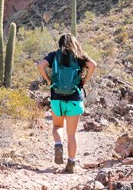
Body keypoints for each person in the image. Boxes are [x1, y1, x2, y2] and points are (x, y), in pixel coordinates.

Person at [37, 33, 97, 174]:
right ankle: (71, 163)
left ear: (60, 43)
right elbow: (93, 65)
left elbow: (40, 66)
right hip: (74, 98)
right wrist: (85, 80)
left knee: (57, 126)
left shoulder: (54, 55)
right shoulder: (79, 56)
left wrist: (48, 80)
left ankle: (58, 145)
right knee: (72, 133)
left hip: (57, 97)